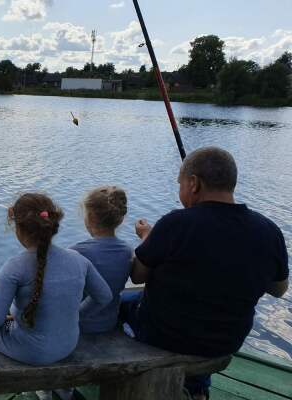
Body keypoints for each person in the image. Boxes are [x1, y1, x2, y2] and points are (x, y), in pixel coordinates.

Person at [120, 147, 289, 400]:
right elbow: (279, 289)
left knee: (110, 305)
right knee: (206, 309)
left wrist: (148, 236)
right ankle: (197, 388)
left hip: (163, 335)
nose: (180, 192)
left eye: (180, 184)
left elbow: (138, 275)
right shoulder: (269, 231)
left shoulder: (175, 224)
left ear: (194, 184)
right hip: (226, 341)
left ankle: (109, 381)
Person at [0, 193, 113, 366]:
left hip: (30, 352)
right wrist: (76, 314)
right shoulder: (79, 259)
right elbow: (104, 297)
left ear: (18, 228)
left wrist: (11, 314)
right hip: (68, 345)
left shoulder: (14, 267)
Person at [70, 186, 133, 334]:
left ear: (90, 218)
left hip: (79, 325)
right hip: (109, 323)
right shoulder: (127, 250)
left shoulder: (76, 252)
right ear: (120, 218)